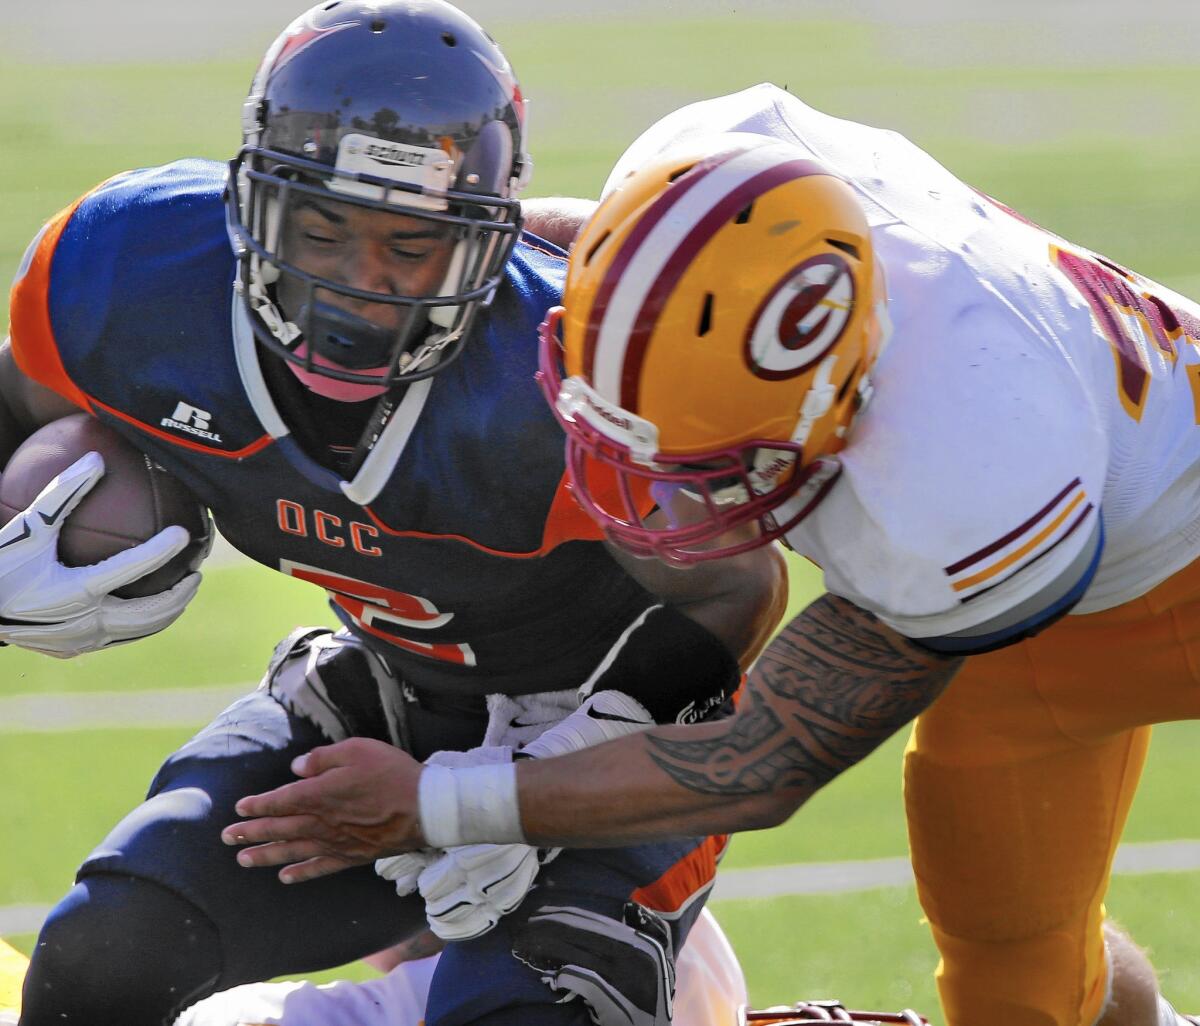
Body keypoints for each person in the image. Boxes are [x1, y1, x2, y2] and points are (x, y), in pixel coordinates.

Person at [225, 84, 1200, 1026]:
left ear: (839, 408)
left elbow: (763, 760)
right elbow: (585, 248)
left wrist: (446, 803)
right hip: (1073, 488)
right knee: (1017, 977)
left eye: (705, 467)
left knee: (1011, 954)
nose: (654, 493)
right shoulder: (705, 166)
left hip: (1162, 578)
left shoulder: (965, 467)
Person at [1, 8, 788, 1023]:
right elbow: (22, 397)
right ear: (255, 201)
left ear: (485, 240)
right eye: (320, 228)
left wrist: (540, 784)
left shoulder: (559, 375)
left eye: (411, 246)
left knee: (535, 1003)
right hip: (385, 692)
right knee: (105, 956)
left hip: (603, 737)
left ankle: (677, 981)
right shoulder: (133, 266)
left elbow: (736, 586)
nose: (357, 287)